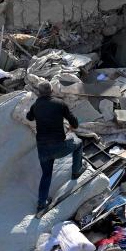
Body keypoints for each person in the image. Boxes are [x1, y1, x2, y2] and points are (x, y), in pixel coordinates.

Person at [26, 81, 84, 213]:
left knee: (46, 174)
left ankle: (41, 203)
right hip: (58, 147)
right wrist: (72, 122)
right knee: (79, 143)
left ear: (39, 93)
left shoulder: (36, 105)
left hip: (42, 149)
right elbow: (74, 123)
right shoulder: (60, 104)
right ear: (52, 91)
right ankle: (76, 172)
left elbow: (29, 117)